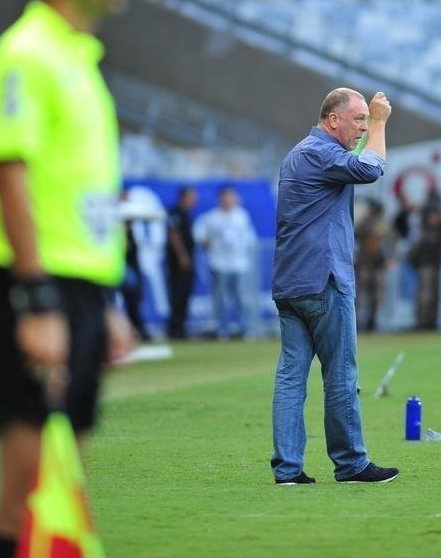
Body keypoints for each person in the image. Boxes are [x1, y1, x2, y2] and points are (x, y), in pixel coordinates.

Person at [0, 0, 133, 558]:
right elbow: (9, 172)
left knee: (61, 491)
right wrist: (36, 299)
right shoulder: (26, 54)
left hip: (81, 291)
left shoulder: (80, 59)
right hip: (37, 290)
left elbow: (76, 192)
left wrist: (106, 301)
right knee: (24, 497)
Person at [270, 87, 399, 485]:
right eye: (358, 119)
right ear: (332, 120)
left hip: (291, 282)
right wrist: (381, 123)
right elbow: (371, 170)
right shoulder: (321, 153)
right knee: (340, 375)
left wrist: (369, 125)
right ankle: (351, 463)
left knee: (291, 377)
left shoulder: (300, 153)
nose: (363, 127)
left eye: (366, 120)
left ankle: (288, 469)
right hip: (323, 280)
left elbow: (357, 163)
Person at [194, 186, 258, 339]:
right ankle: (221, 329)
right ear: (220, 199)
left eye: (231, 196)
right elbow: (199, 235)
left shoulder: (242, 215)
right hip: (219, 263)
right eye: (225, 197)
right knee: (220, 298)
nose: (228, 200)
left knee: (241, 298)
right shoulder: (212, 217)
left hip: (239, 264)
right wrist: (206, 243)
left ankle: (244, 328)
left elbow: (250, 238)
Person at [407, 196, 441, 330]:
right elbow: (413, 247)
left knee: (436, 294)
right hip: (424, 265)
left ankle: (433, 322)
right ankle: (422, 322)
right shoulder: (420, 227)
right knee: (425, 294)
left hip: (437, 264)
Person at [165, 186, 198, 340]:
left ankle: (181, 328)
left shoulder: (186, 213)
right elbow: (173, 234)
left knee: (185, 295)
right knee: (178, 294)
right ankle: (175, 329)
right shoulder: (175, 213)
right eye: (192, 197)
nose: (195, 200)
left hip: (186, 261)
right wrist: (182, 256)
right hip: (178, 263)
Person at [354, 199, 390, 332]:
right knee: (361, 294)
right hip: (365, 263)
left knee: (377, 295)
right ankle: (358, 321)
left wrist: (389, 258)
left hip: (378, 264)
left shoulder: (384, 224)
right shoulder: (365, 222)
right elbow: (357, 234)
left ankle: (372, 322)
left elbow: (390, 241)